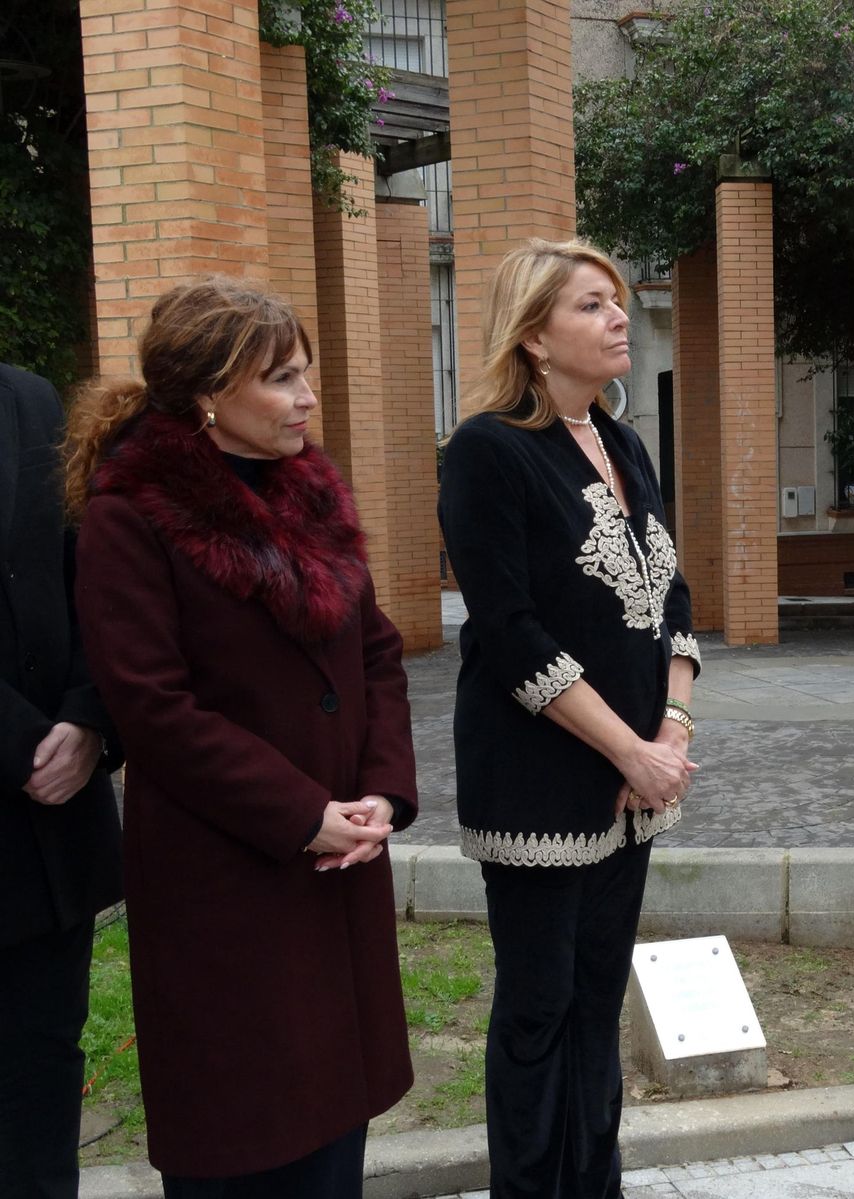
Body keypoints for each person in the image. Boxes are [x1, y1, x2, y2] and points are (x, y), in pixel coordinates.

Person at [64, 278, 417, 1197]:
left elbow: (375, 649)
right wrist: (304, 813)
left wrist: (382, 791)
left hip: (340, 863)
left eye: (305, 374)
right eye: (284, 378)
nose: (308, 396)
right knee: (246, 1135)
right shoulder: (129, 517)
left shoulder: (311, 488)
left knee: (335, 1125)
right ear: (211, 393)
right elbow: (153, 707)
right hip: (227, 877)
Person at [439, 238, 699, 1198]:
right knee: (541, 1006)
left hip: (637, 780)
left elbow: (670, 599)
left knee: (598, 1000)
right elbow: (508, 632)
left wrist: (671, 733)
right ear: (535, 336)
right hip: (541, 777)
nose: (619, 317)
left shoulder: (624, 441)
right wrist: (631, 746)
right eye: (592, 305)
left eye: (616, 301)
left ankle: (597, 1182)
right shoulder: (486, 451)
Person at [0, 364, 123, 1199]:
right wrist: (26, 742)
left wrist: (88, 718)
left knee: (43, 1082)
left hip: (50, 845)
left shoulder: (29, 397)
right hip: (26, 774)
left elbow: (92, 571)